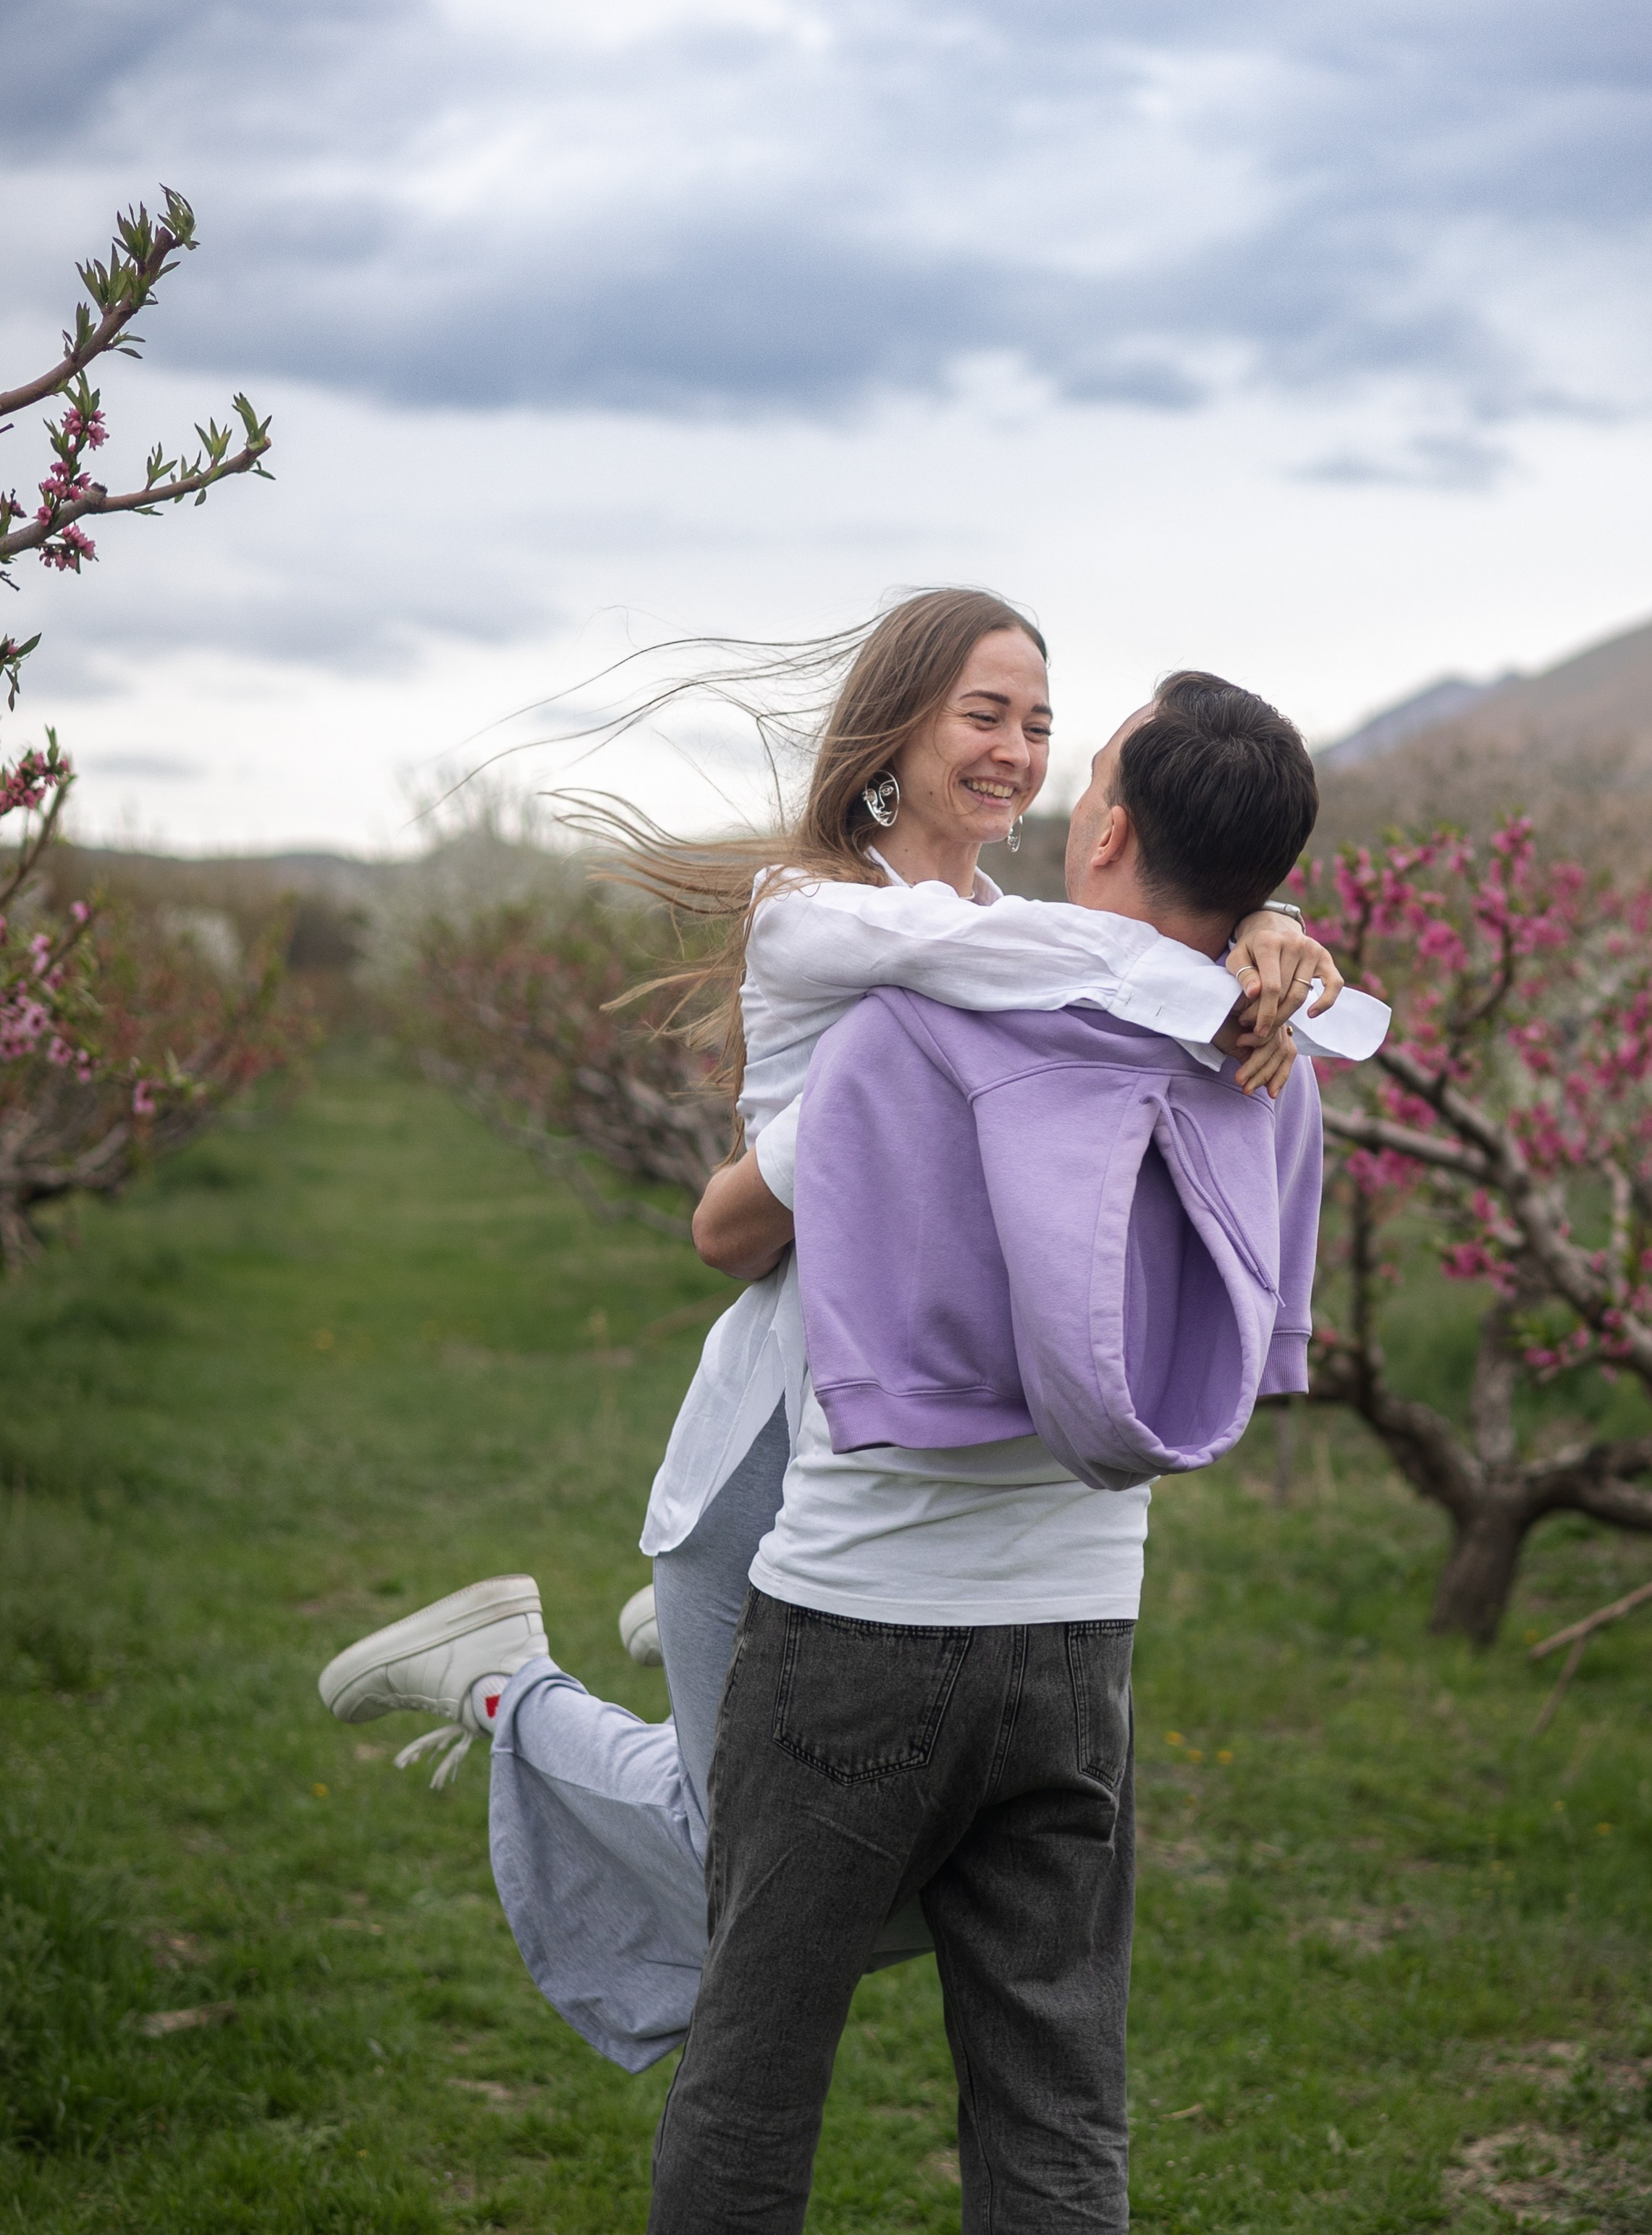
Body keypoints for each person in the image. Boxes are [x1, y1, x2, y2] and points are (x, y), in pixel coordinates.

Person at [315, 592, 1351, 2078]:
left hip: (896, 1437)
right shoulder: (825, 912)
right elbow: (1067, 974)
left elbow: (1096, 954)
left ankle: (657, 1658)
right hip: (784, 1440)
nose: (1015, 749)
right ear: (899, 726)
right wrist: (1247, 937)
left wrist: (1253, 918)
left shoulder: (1020, 929)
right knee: (769, 1878)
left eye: (1041, 725)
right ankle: (507, 1687)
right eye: (982, 714)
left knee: (891, 1867)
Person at [643, 673, 1340, 2232]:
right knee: (1056, 2103)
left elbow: (732, 1225)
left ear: (1102, 828)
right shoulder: (1276, 1065)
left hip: (860, 1616)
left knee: (754, 2080)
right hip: (1083, 1636)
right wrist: (1255, 934)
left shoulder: (914, 1033)